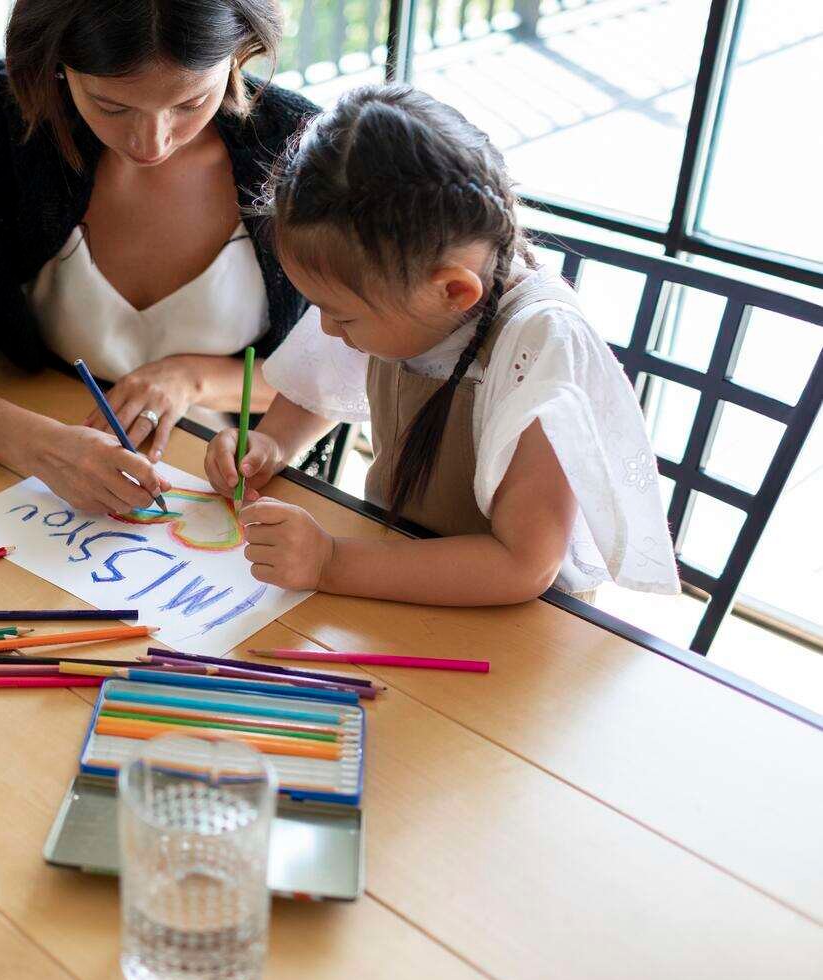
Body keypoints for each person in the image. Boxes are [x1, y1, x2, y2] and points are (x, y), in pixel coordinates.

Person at [204, 84, 680, 605]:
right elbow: (314, 386)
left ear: (454, 292)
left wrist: (332, 562)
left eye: (341, 315)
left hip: (518, 620)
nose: (328, 330)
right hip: (396, 571)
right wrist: (271, 444)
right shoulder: (397, 297)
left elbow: (523, 565)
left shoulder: (540, 347)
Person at [0, 0, 316, 516]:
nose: (152, 143)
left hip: (222, 482)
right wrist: (41, 448)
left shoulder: (297, 143)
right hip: (15, 454)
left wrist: (191, 378)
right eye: (112, 107)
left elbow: (343, 372)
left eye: (191, 102)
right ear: (59, 62)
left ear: (239, 54)